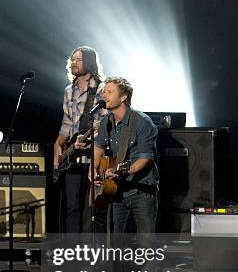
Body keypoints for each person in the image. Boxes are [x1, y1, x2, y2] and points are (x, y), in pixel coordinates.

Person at [92, 77, 159, 234]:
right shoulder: (106, 121)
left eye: (109, 92)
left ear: (123, 97)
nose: (104, 95)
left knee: (145, 242)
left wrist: (123, 170)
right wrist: (93, 170)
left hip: (141, 190)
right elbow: (98, 147)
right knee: (117, 242)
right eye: (104, 91)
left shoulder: (142, 122)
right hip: (116, 190)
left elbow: (145, 158)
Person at [54, 46, 107, 233]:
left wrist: (90, 139)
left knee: (94, 208)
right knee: (71, 207)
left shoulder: (101, 89)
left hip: (95, 158)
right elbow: (67, 123)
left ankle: (92, 255)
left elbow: (105, 124)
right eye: (72, 59)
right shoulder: (69, 90)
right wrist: (58, 144)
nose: (73, 63)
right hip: (73, 158)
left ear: (90, 62)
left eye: (78, 59)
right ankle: (72, 252)